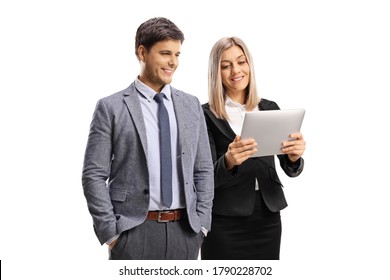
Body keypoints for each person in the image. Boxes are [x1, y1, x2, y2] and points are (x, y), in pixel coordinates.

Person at [82, 17, 214, 260]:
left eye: (177, 54)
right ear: (142, 53)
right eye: (165, 53)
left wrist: (202, 224)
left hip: (185, 233)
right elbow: (93, 174)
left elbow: (203, 168)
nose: (173, 62)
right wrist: (111, 234)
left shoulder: (191, 105)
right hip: (133, 233)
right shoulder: (110, 108)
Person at [201, 37, 306, 260]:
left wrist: (294, 157)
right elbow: (203, 180)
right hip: (224, 220)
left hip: (267, 216)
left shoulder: (269, 108)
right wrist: (229, 160)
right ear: (216, 72)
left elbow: (290, 168)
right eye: (226, 65)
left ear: (249, 64)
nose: (235, 70)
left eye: (241, 62)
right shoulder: (205, 115)